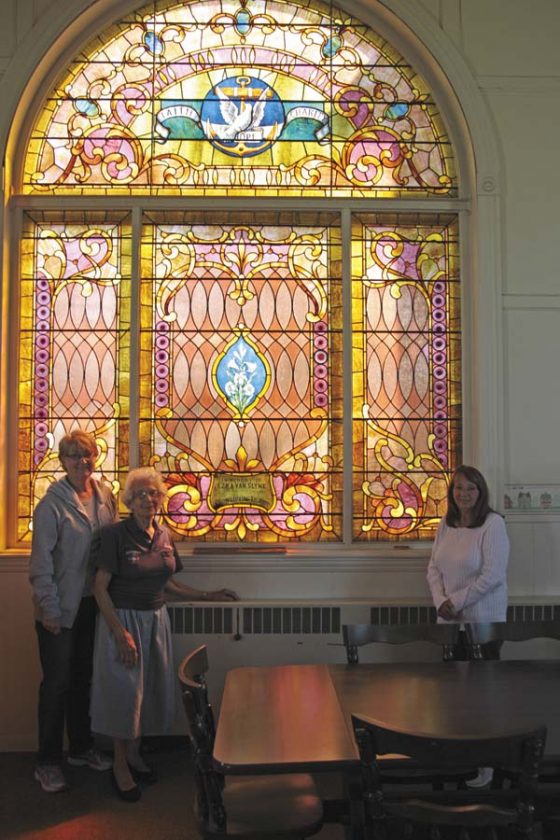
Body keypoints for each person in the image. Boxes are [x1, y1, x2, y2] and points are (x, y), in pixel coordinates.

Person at [90, 466, 238, 802]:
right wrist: (120, 634)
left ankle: (134, 754)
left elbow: (167, 583)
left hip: (156, 622)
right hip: (123, 622)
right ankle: (120, 765)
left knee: (147, 692)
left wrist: (207, 595)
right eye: (140, 494)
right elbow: (99, 588)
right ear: (129, 500)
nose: (148, 499)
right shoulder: (115, 535)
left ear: (161, 498)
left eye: (153, 493)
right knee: (124, 694)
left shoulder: (163, 535)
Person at [29, 430, 118, 793]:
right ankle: (48, 762)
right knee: (57, 684)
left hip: (91, 603)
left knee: (83, 678)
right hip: (59, 608)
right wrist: (49, 608)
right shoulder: (51, 506)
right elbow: (41, 563)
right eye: (74, 456)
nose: (82, 462)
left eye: (88, 455)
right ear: (62, 461)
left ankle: (81, 747)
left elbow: (110, 546)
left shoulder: (105, 496)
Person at [427, 464, 510, 788]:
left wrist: (456, 602)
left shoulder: (493, 524)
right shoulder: (446, 524)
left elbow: (493, 575)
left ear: (481, 492)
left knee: (482, 697)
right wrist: (440, 602)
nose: (464, 494)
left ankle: (488, 765)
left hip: (482, 622)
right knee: (453, 697)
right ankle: (461, 759)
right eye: (458, 488)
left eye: (470, 488)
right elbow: (433, 568)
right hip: (449, 622)